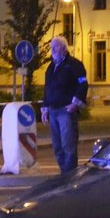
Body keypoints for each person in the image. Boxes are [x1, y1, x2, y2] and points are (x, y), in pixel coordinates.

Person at [41, 35, 88, 174]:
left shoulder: (74, 65)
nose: (52, 49)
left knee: (68, 144)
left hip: (66, 111)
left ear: (64, 48)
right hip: (53, 110)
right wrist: (45, 109)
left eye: (55, 46)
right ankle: (64, 173)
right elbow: (47, 88)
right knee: (57, 146)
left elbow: (83, 84)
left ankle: (70, 174)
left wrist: (75, 103)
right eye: (51, 47)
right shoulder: (51, 67)